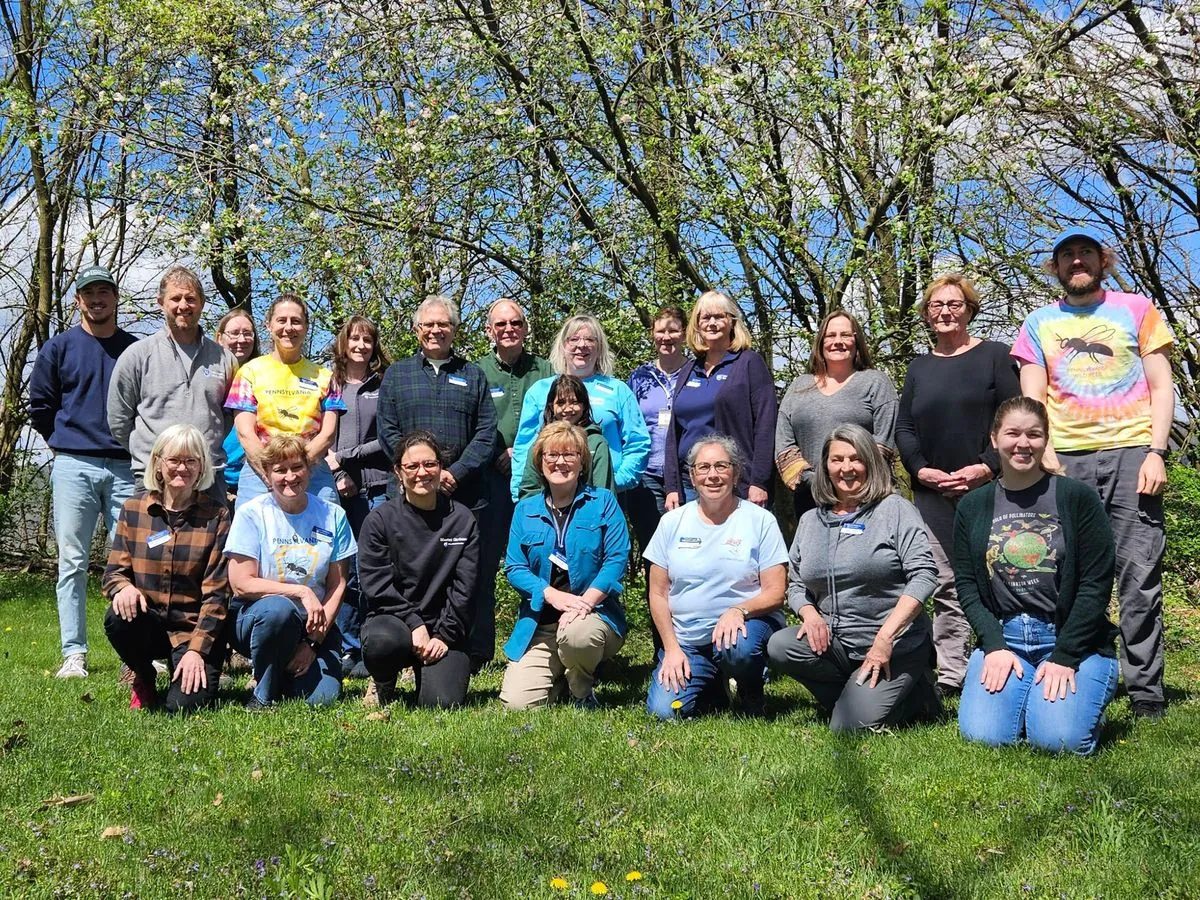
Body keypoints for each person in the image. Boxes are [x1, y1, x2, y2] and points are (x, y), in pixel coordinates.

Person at [1012, 226, 1174, 719]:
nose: (1076, 261)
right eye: (1067, 256)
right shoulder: (1038, 322)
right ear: (1056, 268)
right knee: (1065, 575)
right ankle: (1078, 674)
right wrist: (1046, 455)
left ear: (1102, 261)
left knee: (1138, 574)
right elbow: (1031, 398)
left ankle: (1146, 692)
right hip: (1067, 461)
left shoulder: (1138, 310)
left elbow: (1162, 386)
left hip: (1131, 455)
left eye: (1085, 253)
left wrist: (1156, 452)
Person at [954, 398, 1121, 754]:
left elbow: (1096, 584)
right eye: (1013, 433)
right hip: (1007, 640)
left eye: (1034, 434)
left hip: (1072, 638)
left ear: (1046, 440)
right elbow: (967, 585)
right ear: (995, 437)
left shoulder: (1077, 498)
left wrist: (1065, 655)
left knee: (1059, 741)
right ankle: (1038, 702)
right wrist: (994, 645)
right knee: (985, 736)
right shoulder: (973, 506)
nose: (1023, 443)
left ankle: (1072, 708)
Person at [767, 424, 940, 732]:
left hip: (893, 647)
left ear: (870, 463)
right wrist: (809, 614)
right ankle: (861, 697)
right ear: (825, 466)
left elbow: (924, 575)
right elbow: (795, 583)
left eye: (855, 458)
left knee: (845, 728)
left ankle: (915, 696)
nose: (846, 468)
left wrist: (885, 639)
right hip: (836, 646)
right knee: (781, 645)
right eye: (837, 460)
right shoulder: (810, 520)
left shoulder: (894, 510)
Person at [895, 275, 1020, 697]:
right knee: (945, 582)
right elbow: (905, 428)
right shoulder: (919, 367)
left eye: (955, 304)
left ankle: (1005, 659)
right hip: (932, 492)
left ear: (969, 309)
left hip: (989, 489)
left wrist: (986, 467)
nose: (945, 311)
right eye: (936, 305)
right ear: (926, 314)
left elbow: (1015, 421)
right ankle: (952, 673)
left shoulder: (995, 357)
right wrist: (919, 470)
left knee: (1000, 574)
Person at [29, 264, 138, 679]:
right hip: (73, 464)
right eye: (89, 293)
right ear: (78, 300)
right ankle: (74, 654)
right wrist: (62, 441)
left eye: (104, 293)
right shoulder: (58, 348)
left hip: (127, 467)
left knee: (130, 562)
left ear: (115, 299)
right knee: (71, 563)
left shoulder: (134, 349)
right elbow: (41, 405)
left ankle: (135, 652)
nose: (97, 300)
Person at [376, 294, 496, 669]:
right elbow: (387, 429)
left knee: (471, 576)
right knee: (409, 572)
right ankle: (405, 644)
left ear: (454, 330)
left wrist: (453, 473)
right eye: (428, 324)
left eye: (443, 324)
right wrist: (418, 473)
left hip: (464, 496)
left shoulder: (474, 375)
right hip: (410, 496)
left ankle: (474, 651)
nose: (435, 330)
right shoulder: (397, 375)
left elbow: (487, 432)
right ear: (417, 330)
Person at [645, 436, 788, 719]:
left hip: (744, 629)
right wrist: (672, 649)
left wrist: (739, 610)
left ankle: (750, 689)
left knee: (738, 649)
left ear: (735, 473)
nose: (713, 475)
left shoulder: (760, 520)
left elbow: (776, 591)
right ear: (692, 476)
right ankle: (713, 684)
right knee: (664, 713)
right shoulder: (672, 522)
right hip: (688, 640)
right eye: (704, 467)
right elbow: (658, 594)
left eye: (721, 466)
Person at [101, 425, 231, 713]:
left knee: (183, 707)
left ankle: (186, 666)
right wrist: (123, 588)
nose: (182, 468)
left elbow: (218, 594)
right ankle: (143, 674)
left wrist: (197, 650)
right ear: (158, 463)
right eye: (174, 460)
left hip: (193, 629)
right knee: (117, 618)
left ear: (201, 467)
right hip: (149, 623)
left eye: (191, 461)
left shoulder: (217, 515)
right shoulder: (134, 510)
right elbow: (113, 574)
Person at [501, 421, 630, 710]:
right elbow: (515, 567)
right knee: (517, 704)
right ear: (540, 461)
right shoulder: (525, 510)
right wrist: (551, 595)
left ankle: (582, 691)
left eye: (570, 454)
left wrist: (584, 603)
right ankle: (562, 673)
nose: (560, 462)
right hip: (542, 622)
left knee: (577, 636)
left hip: (593, 616)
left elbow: (616, 559)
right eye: (552, 455)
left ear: (582, 462)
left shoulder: (603, 503)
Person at [223, 435, 356, 707]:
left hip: (313, 624)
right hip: (257, 616)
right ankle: (264, 692)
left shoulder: (333, 515)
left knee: (321, 701)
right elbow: (241, 584)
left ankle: (283, 671)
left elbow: (337, 585)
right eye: (280, 470)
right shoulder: (252, 514)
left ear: (310, 469)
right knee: (278, 610)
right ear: (267, 474)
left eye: (297, 467)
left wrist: (313, 644)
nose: (290, 476)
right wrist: (300, 591)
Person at [358, 431, 479, 708]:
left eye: (430, 464)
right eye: (412, 466)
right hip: (394, 621)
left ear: (441, 468)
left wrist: (444, 635)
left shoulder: (462, 520)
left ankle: (426, 672)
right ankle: (383, 681)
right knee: (382, 642)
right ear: (398, 473)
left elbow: (466, 587)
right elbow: (376, 586)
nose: (421, 473)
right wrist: (414, 624)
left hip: (444, 626)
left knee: (441, 703)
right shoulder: (380, 520)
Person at [107, 266, 238, 498]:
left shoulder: (224, 359)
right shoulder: (138, 355)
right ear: (161, 302)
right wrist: (152, 453)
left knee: (211, 537)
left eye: (191, 298)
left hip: (209, 477)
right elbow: (119, 419)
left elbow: (228, 416)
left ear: (202, 303)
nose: (183, 306)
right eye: (175, 298)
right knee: (151, 536)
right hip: (152, 478)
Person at [473, 299, 553, 668]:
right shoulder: (477, 372)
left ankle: (541, 644)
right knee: (484, 562)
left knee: (541, 560)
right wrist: (498, 454)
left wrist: (525, 458)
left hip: (540, 480)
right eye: (500, 324)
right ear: (489, 330)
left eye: (516, 323)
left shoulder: (546, 370)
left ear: (525, 327)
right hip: (490, 477)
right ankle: (480, 648)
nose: (509, 329)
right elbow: (475, 422)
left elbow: (557, 419)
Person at [509, 314, 650, 501]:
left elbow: (638, 443)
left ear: (599, 347)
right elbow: (524, 446)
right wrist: (521, 494)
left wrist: (614, 481)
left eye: (590, 339)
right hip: (548, 496)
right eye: (573, 339)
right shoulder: (539, 391)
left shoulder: (618, 390)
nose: (581, 345)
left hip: (606, 494)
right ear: (563, 346)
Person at [224, 294, 345, 510]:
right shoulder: (249, 372)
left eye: (296, 321)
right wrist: (273, 471)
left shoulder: (326, 376)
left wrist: (297, 469)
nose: (289, 327)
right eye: (281, 320)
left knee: (326, 532)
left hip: (313, 470)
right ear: (269, 326)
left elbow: (328, 434)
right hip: (260, 472)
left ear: (306, 327)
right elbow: (245, 433)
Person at [775, 309, 898, 520]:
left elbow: (884, 441)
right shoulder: (799, 386)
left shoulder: (875, 382)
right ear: (821, 342)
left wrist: (849, 479)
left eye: (846, 335)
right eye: (831, 335)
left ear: (856, 341)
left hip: (865, 499)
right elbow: (783, 443)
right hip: (810, 500)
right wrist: (816, 481)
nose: (838, 341)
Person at [664, 292, 777, 509]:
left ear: (732, 321)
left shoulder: (749, 363)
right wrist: (672, 486)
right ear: (697, 324)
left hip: (735, 485)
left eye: (719, 316)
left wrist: (759, 481)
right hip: (690, 483)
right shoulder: (689, 369)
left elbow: (766, 425)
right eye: (705, 318)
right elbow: (674, 433)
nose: (712, 323)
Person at [324, 315, 392, 678]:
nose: (361, 346)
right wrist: (336, 472)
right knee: (342, 570)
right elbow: (314, 433)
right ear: (343, 343)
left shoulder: (385, 383)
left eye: (367, 339)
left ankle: (373, 644)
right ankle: (347, 646)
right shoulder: (328, 382)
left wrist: (347, 458)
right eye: (354, 339)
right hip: (334, 490)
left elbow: (390, 438)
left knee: (373, 570)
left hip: (378, 488)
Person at [626, 306, 687, 652]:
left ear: (684, 333)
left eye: (673, 330)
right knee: (657, 563)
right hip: (647, 478)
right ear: (652, 334)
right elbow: (631, 429)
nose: (666, 337)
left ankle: (694, 640)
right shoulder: (639, 378)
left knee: (690, 559)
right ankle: (661, 646)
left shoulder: (696, 372)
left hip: (689, 477)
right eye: (661, 331)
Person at [516, 375, 614, 498]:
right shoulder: (541, 443)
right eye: (561, 402)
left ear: (584, 405)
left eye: (574, 402)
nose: (568, 408)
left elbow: (604, 494)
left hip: (587, 514)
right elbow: (529, 489)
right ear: (552, 406)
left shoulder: (597, 443)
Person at [214, 308, 260, 503]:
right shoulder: (208, 378)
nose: (241, 339)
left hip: (254, 480)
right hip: (213, 478)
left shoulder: (265, 377)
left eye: (248, 333)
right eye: (234, 333)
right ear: (219, 337)